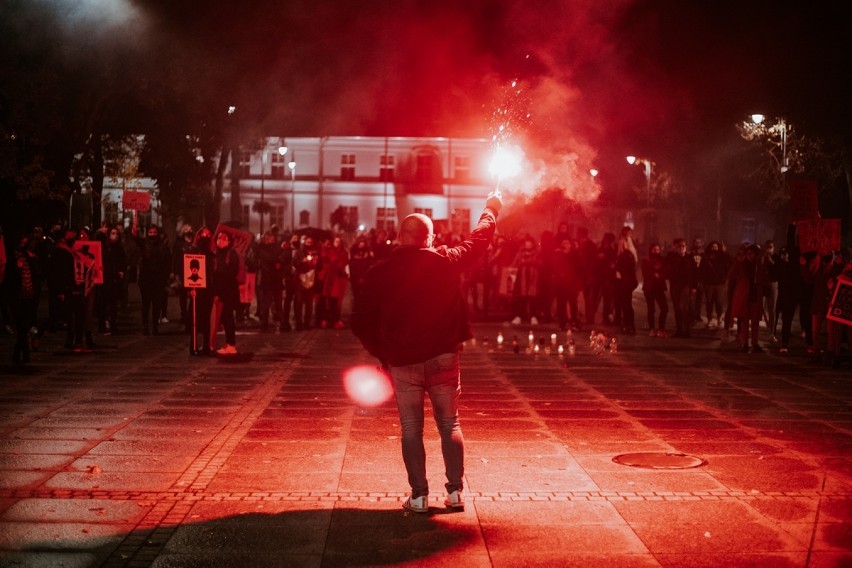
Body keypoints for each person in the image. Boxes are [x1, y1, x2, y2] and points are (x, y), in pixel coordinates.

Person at [352, 191, 502, 514]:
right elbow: (479, 240)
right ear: (430, 238)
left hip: (403, 362)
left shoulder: (380, 272)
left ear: (398, 238)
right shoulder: (445, 261)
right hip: (443, 357)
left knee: (410, 428)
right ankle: (455, 493)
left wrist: (383, 354)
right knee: (450, 424)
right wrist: (491, 209)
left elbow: (359, 320)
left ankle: (418, 496)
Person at [210, 229, 241, 354]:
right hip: (219, 290)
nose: (220, 241)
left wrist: (218, 274)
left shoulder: (231, 253)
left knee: (228, 317)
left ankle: (231, 344)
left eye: (223, 239)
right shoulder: (216, 253)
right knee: (222, 318)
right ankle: (227, 343)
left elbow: (232, 271)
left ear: (228, 241)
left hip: (228, 291)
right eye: (218, 239)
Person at [137, 225, 170, 336]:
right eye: (150, 232)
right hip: (146, 280)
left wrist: (165, 278)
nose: (152, 234)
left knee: (156, 305)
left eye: (154, 232)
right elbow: (136, 239)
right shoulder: (144, 244)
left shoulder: (163, 247)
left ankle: (155, 326)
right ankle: (145, 326)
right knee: (145, 304)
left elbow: (167, 263)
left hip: (158, 280)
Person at [666, 238, 699, 337]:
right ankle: (679, 330)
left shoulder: (689, 258)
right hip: (675, 285)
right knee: (677, 308)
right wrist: (671, 251)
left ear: (686, 247)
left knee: (685, 308)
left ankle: (686, 330)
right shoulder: (673, 257)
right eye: (679, 246)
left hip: (686, 285)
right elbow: (666, 263)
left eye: (683, 246)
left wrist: (694, 286)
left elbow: (694, 273)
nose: (681, 248)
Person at [318, 235, 349, 329]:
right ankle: (326, 320)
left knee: (335, 301)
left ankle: (334, 320)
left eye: (339, 242)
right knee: (325, 301)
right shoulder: (326, 251)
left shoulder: (342, 253)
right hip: (327, 279)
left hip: (336, 279)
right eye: (336, 241)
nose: (337, 244)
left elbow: (342, 264)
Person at [171, 224, 195, 331]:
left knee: (193, 294)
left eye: (189, 228)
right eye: (185, 229)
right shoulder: (179, 243)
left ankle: (191, 314)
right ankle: (184, 314)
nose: (187, 230)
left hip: (193, 272)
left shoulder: (195, 242)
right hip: (182, 272)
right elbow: (175, 258)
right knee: (182, 295)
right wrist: (174, 272)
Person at [642, 243, 669, 337]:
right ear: (651, 250)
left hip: (659, 287)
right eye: (654, 249)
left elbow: (666, 272)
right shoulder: (646, 260)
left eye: (658, 249)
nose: (656, 251)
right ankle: (652, 329)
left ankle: (661, 328)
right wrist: (653, 274)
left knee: (664, 308)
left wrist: (660, 276)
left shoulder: (663, 260)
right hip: (649, 287)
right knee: (651, 309)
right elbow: (645, 273)